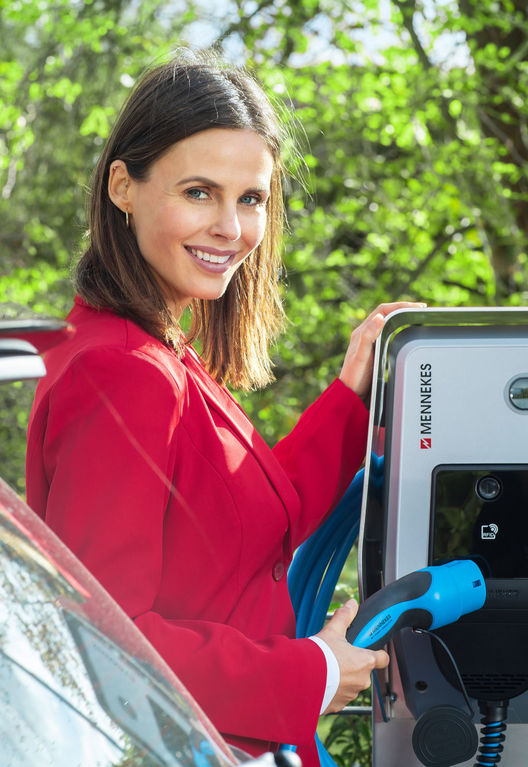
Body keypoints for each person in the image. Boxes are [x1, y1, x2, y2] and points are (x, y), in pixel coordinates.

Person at [25, 51, 420, 766]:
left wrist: (353, 390)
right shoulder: (121, 372)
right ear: (123, 185)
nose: (231, 228)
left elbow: (261, 519)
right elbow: (110, 638)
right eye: (200, 192)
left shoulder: (161, 352)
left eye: (252, 199)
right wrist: (316, 670)